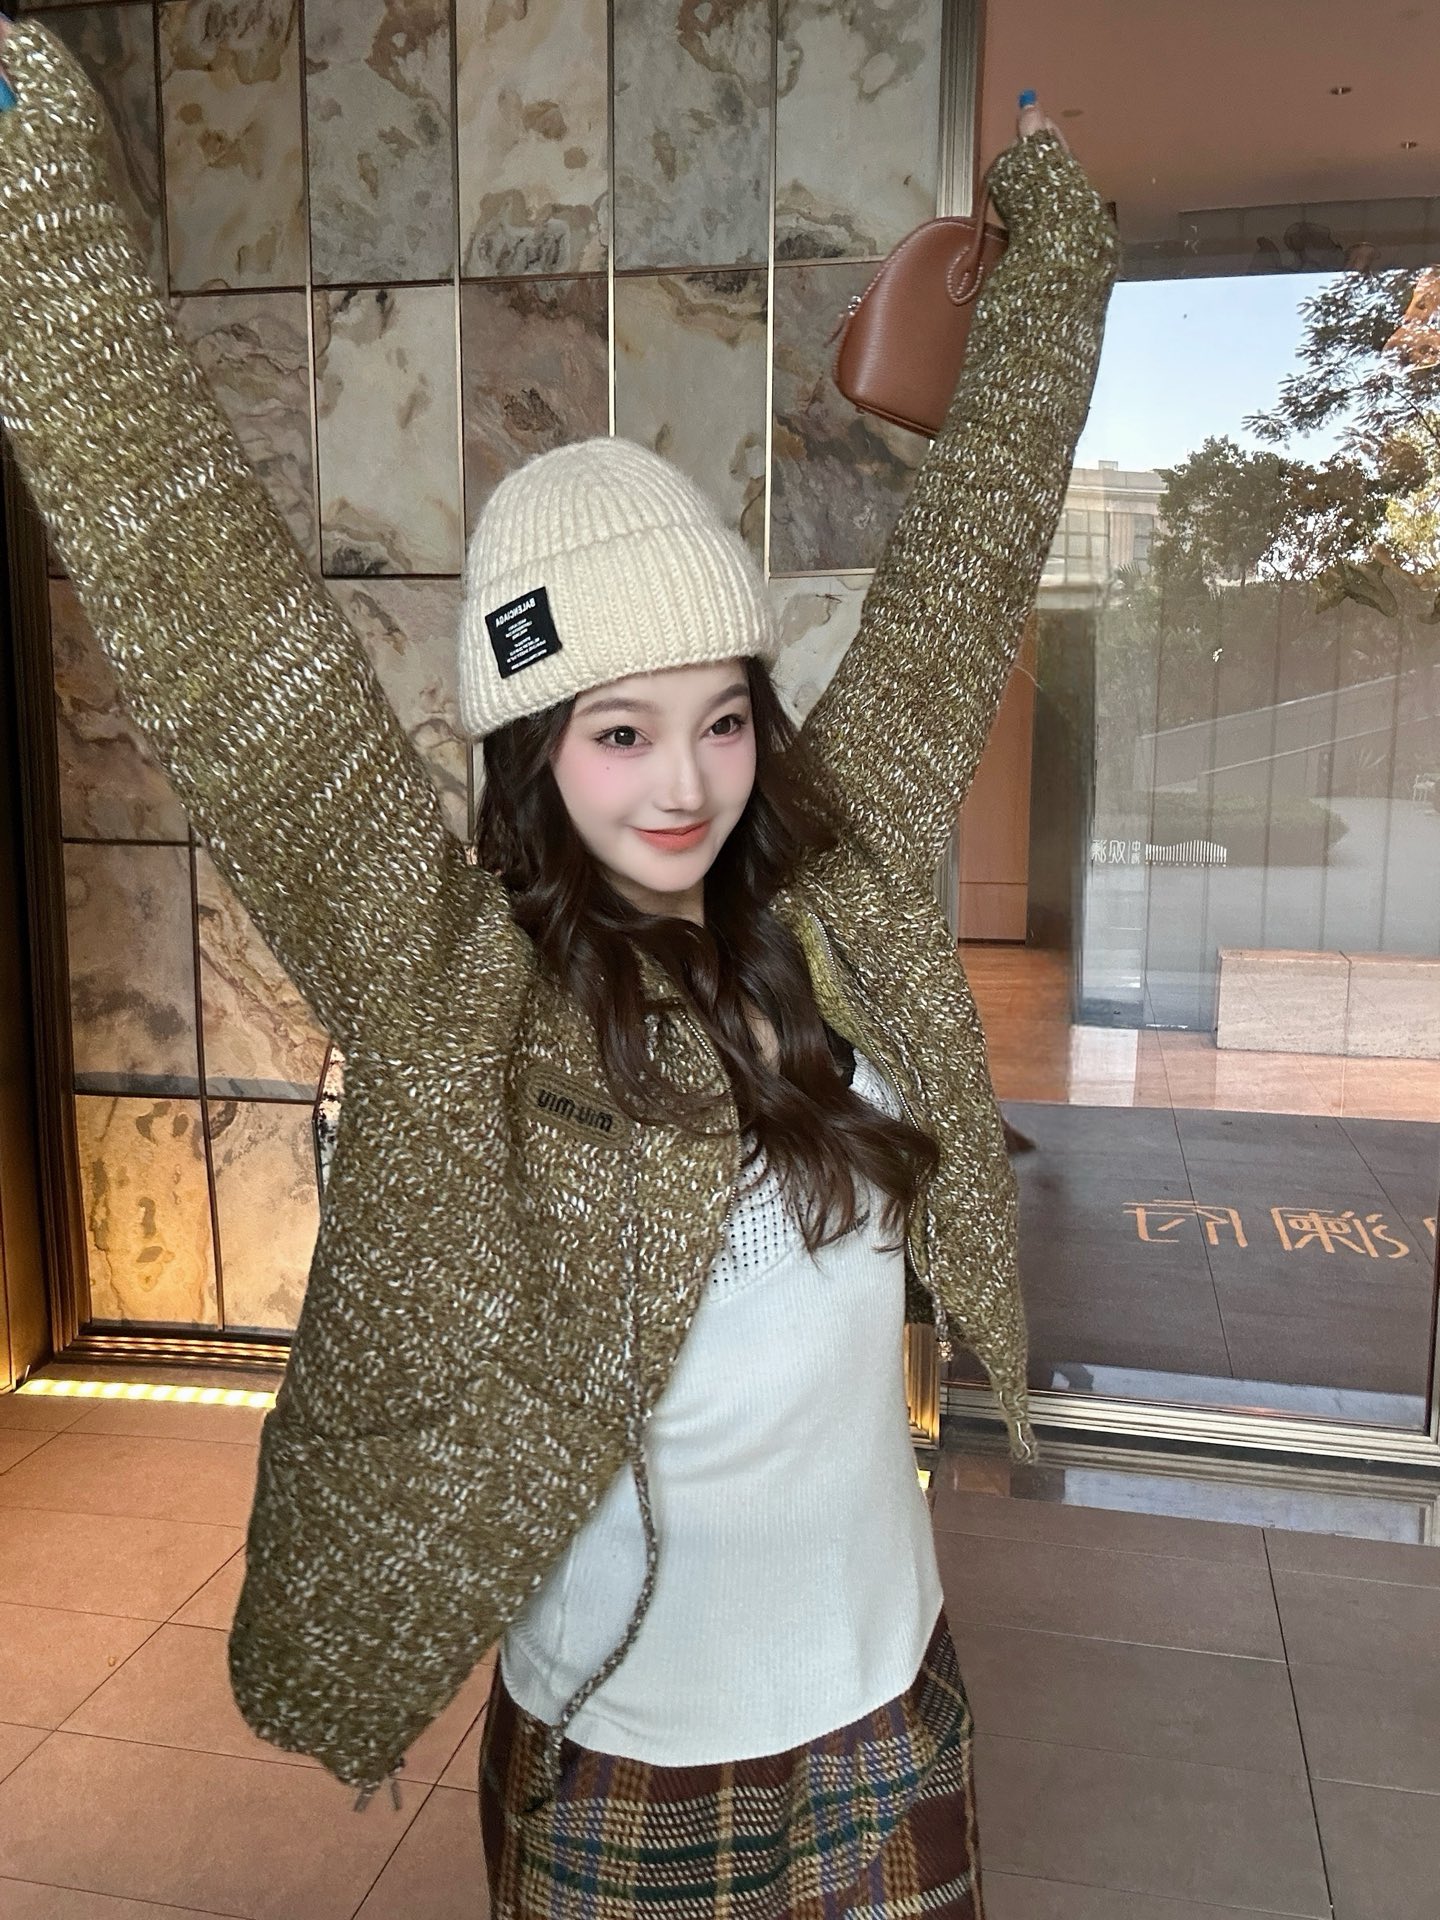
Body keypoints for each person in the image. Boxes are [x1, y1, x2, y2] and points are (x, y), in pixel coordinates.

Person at [0, 17, 1118, 1917]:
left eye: (722, 718)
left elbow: (977, 547)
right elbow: (210, 610)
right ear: (531, 750)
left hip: (889, 1721)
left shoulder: (833, 887)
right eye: (618, 732)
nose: (685, 785)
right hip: (621, 1767)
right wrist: (34, 196)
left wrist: (1055, 262)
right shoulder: (449, 982)